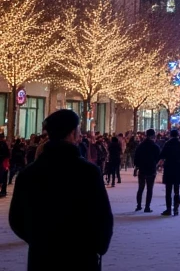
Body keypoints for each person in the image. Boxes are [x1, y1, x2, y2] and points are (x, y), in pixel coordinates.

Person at [9, 108, 113, 270]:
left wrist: (38, 240)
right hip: (81, 256)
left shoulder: (29, 173)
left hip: (42, 257)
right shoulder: (87, 172)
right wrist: (97, 247)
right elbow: (102, 216)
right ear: (72, 133)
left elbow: (16, 219)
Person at [159, 128, 180, 216]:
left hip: (169, 168)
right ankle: (176, 208)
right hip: (178, 168)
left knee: (168, 190)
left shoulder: (168, 144)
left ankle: (168, 209)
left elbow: (162, 155)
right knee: (176, 190)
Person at [134, 128, 160, 212]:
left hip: (142, 169)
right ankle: (147, 207)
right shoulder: (155, 146)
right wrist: (156, 165)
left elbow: (136, 157)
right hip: (151, 169)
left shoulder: (141, 145)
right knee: (149, 188)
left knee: (140, 188)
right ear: (153, 136)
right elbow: (158, 157)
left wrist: (137, 166)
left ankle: (138, 205)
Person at [0, 131, 10, 198]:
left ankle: (3, 191)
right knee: (4, 177)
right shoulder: (4, 144)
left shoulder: (4, 144)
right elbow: (8, 154)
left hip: (2, 162)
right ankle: (3, 191)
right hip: (3, 163)